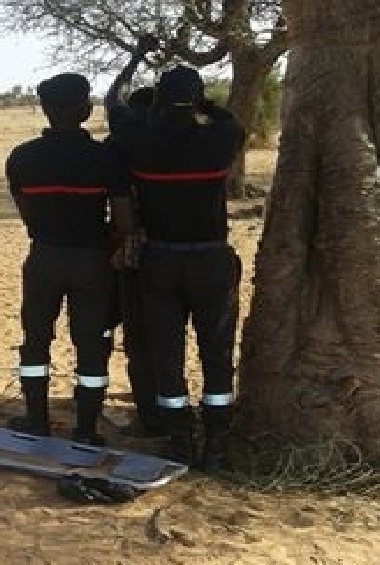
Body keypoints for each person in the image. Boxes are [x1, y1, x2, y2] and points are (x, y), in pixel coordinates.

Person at [111, 62, 245, 471]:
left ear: (158, 99)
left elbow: (115, 103)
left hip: (162, 260)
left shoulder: (139, 142)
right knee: (216, 351)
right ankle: (217, 446)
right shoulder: (220, 139)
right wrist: (203, 104)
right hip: (210, 257)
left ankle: (179, 442)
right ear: (198, 98)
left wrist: (137, 78)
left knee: (166, 352)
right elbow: (232, 121)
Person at [5, 72, 135, 446]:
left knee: (35, 340)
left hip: (44, 256)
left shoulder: (22, 157)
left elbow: (27, 212)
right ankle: (87, 429)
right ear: (85, 109)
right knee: (92, 343)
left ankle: (35, 419)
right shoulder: (105, 157)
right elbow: (124, 222)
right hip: (92, 260)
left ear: (45, 109)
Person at [104, 35, 165, 437]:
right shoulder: (172, 141)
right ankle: (165, 403)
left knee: (136, 335)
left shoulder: (122, 138)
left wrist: (136, 56)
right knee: (167, 332)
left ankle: (148, 411)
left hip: (128, 251)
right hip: (171, 248)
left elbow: (113, 97)